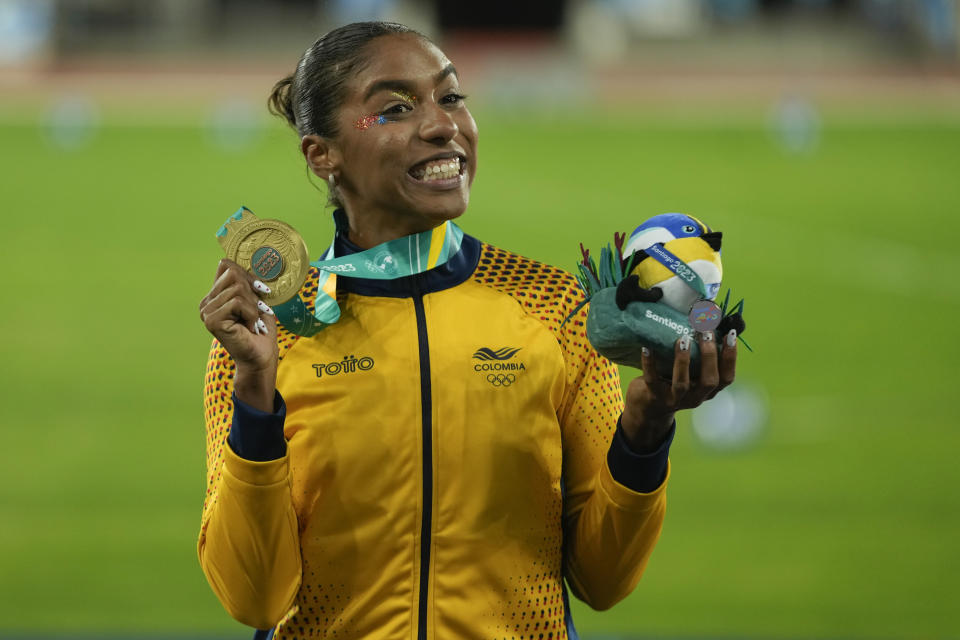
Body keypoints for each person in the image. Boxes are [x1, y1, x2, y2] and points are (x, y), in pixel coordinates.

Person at [197, 21, 737, 640]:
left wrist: (647, 424)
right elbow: (254, 598)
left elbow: (604, 580)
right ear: (322, 153)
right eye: (395, 108)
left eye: (451, 97)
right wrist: (256, 394)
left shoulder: (550, 306)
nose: (441, 125)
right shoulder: (267, 338)